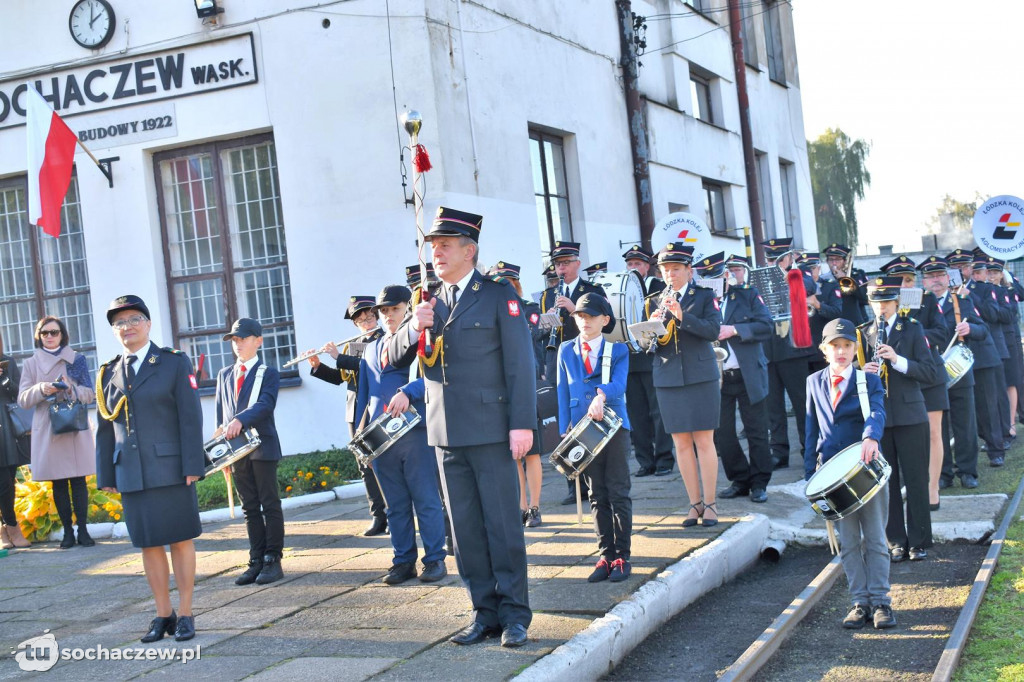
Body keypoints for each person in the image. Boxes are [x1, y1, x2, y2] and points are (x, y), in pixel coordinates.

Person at [388, 206, 536, 648]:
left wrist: (522, 425)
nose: (437, 253)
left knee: (502, 527)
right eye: (433, 246)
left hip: (491, 430)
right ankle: (482, 612)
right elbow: (391, 357)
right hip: (445, 434)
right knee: (466, 532)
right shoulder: (427, 302)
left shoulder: (497, 295)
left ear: (469, 251)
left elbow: (519, 364)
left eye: (446, 245)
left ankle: (513, 615)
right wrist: (413, 325)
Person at [95, 295, 204, 643]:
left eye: (133, 320)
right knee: (148, 545)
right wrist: (106, 474)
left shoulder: (172, 362)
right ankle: (162, 614)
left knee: (179, 539)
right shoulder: (108, 372)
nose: (127, 327)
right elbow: (104, 429)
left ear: (148, 323)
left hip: (171, 467)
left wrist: (193, 465)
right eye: (119, 323)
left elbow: (190, 417)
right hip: (131, 471)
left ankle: (186, 612)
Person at [804, 318, 892, 629]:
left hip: (864, 470)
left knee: (876, 539)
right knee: (849, 542)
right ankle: (860, 602)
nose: (841, 352)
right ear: (824, 350)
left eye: (847, 346)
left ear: (855, 350)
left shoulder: (867, 380)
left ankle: (882, 602)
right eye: (835, 346)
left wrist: (871, 436)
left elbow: (878, 411)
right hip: (831, 477)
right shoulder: (813, 381)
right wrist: (809, 479)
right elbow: (811, 428)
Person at [357, 285, 448, 585]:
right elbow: (366, 393)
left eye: (394, 309)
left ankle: (435, 559)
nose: (388, 316)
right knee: (394, 505)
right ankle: (403, 560)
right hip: (381, 437)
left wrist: (409, 392)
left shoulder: (421, 336)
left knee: (425, 499)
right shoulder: (371, 347)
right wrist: (362, 435)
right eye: (383, 311)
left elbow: (434, 377)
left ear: (406, 309)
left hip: (415, 430)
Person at [857, 277, 939, 562]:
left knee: (916, 478)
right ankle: (896, 541)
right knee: (886, 483)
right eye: (876, 302)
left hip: (911, 414)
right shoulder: (862, 333)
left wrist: (897, 359)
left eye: (886, 302)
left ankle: (918, 540)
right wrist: (863, 372)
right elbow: (853, 377)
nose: (882, 308)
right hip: (880, 418)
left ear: (896, 302)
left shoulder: (913, 330)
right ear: (870, 303)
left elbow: (930, 372)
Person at [556, 293, 633, 582]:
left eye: (590, 316)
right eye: (579, 316)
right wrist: (565, 428)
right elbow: (562, 390)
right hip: (581, 429)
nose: (584, 321)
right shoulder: (566, 349)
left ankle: (623, 556)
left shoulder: (618, 350)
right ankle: (605, 555)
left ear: (605, 320)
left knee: (618, 491)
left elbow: (620, 384)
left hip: (612, 425)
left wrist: (601, 395)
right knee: (596, 494)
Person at [646, 242, 721, 527]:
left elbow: (712, 331)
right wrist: (649, 330)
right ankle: (694, 504)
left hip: (700, 376)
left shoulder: (704, 296)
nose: (669, 274)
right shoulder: (653, 300)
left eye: (675, 269)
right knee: (680, 443)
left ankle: (711, 503)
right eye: (665, 269)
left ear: (689, 270)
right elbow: (648, 346)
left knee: (703, 440)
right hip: (668, 378)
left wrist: (681, 316)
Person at [306, 295, 388, 536]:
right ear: (354, 324)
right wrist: (317, 366)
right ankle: (378, 516)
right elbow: (341, 378)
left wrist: (338, 357)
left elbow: (369, 366)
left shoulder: (385, 339)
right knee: (364, 464)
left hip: (375, 408)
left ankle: (395, 515)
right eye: (360, 319)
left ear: (376, 316)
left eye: (369, 316)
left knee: (383, 463)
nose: (366, 321)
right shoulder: (351, 345)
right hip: (354, 411)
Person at [696, 253, 773, 503]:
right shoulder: (702, 301)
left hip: (747, 373)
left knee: (756, 430)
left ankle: (760, 482)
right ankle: (740, 479)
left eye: (717, 278)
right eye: (708, 279)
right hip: (717, 377)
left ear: (726, 275)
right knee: (723, 433)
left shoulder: (747, 294)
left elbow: (766, 325)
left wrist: (736, 329)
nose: (712, 284)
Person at [214, 318, 285, 586]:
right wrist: (220, 451)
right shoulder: (224, 374)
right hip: (237, 451)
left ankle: (272, 559)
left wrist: (240, 419)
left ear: (258, 341)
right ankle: (255, 559)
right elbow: (221, 416)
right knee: (249, 508)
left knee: (270, 504)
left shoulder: (268, 373)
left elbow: (266, 404)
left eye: (243, 338)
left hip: (262, 446)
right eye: (234, 340)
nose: (238, 344)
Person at [18, 316, 97, 549]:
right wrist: (42, 388)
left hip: (74, 425)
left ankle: (83, 530)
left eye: (55, 332)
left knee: (79, 479)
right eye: (45, 333)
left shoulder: (76, 360)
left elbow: (89, 394)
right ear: (38, 336)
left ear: (63, 335)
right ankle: (67, 533)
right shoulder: (31, 364)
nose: (50, 337)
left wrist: (70, 388)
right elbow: (23, 399)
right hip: (49, 426)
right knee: (59, 482)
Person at [882, 256, 950, 511]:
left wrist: (914, 334)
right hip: (900, 380)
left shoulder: (927, 299)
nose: (906, 284)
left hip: (928, 374)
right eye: (900, 281)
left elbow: (942, 333)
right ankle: (910, 487)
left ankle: (932, 488)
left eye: (909, 279)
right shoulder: (885, 304)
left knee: (934, 433)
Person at [540, 241, 606, 505]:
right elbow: (540, 332)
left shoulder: (591, 290)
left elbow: (604, 324)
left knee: (588, 416)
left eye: (566, 263)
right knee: (564, 421)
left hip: (585, 359)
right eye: (557, 264)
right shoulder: (548, 295)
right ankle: (573, 484)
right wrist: (547, 320)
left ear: (577, 264)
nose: (561, 268)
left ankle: (596, 480)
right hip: (558, 359)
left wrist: (572, 310)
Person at [490, 261, 546, 527]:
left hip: (526, 386)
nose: (505, 289)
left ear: (516, 285)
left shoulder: (529, 310)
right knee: (513, 455)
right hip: (502, 389)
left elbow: (531, 332)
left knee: (531, 453)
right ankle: (520, 506)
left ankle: (534, 506)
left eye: (509, 284)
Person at [761, 238, 818, 470]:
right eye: (770, 259)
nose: (775, 263)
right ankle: (779, 451)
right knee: (772, 406)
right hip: (770, 350)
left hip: (794, 350)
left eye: (780, 258)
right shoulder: (762, 278)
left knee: (802, 404)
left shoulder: (799, 275)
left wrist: (789, 275)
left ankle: (810, 449)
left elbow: (811, 287)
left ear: (790, 258)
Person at [947, 249, 1007, 467]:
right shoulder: (943, 294)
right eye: (955, 267)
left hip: (982, 355)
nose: (960, 271)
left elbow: (990, 316)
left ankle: (995, 449)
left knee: (988, 407)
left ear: (971, 269)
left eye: (963, 267)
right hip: (955, 360)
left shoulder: (983, 289)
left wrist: (967, 295)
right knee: (962, 411)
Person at [622, 244, 673, 477]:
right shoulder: (621, 287)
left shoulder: (659, 287)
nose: (633, 268)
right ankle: (645, 461)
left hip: (652, 356)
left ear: (647, 267)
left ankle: (664, 459)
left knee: (658, 410)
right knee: (636, 413)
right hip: (629, 358)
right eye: (630, 264)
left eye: (638, 264)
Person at [0, 337, 31, 550]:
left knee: (9, 481)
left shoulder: (7, 362)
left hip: (6, 428)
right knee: (2, 482)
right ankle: (9, 527)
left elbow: (20, 394)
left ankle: (8, 527)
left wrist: (5, 380)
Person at [798, 252, 843, 374]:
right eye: (803, 269)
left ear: (818, 268)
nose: (809, 273)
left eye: (812, 268)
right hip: (801, 350)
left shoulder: (830, 286)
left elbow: (837, 312)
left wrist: (817, 304)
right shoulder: (793, 289)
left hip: (823, 347)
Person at [823, 243, 869, 326]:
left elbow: (865, 299)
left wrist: (845, 279)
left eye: (837, 259)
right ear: (827, 261)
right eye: (831, 260)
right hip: (834, 323)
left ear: (844, 261)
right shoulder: (824, 279)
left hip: (855, 322)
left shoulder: (857, 275)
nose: (834, 263)